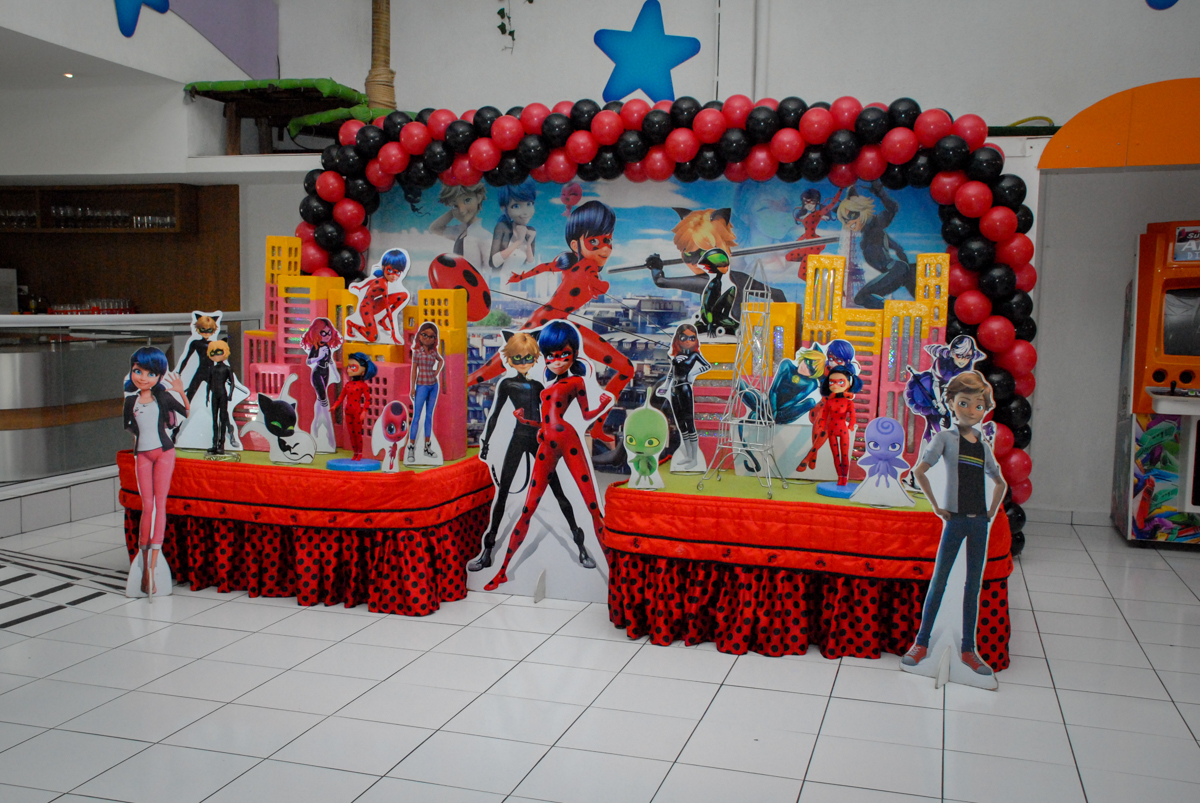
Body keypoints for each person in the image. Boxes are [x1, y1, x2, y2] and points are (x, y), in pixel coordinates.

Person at [470, 200, 631, 442]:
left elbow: (547, 266)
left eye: (607, 240)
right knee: (491, 368)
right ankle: (596, 426)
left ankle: (597, 426)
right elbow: (599, 285)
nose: (604, 249)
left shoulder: (569, 260)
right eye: (595, 242)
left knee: (492, 367)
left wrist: (522, 276)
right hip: (546, 325)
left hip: (560, 325)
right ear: (577, 244)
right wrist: (600, 284)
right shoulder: (587, 266)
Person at [485, 322, 611, 590]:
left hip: (569, 440)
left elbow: (586, 414)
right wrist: (524, 421)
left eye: (564, 354)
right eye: (552, 356)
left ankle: (613, 572)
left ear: (573, 354)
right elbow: (543, 424)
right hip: (547, 443)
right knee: (528, 507)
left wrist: (601, 404)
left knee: (592, 506)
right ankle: (503, 570)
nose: (557, 360)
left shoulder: (576, 381)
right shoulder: (544, 387)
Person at [903, 370, 1007, 677]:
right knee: (940, 581)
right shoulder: (945, 438)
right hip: (955, 520)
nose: (971, 411)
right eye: (964, 403)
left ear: (985, 408)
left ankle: (968, 649)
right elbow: (920, 471)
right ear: (951, 402)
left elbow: (998, 481)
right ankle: (921, 643)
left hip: (978, 523)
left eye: (978, 406)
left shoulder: (983, 445)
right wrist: (938, 505)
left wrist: (990, 511)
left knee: (972, 585)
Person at [471, 332, 587, 571]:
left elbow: (554, 412)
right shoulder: (507, 383)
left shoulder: (539, 386)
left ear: (535, 358)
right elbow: (494, 415)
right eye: (517, 357)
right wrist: (486, 443)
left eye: (528, 357)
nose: (523, 361)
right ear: (510, 358)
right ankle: (488, 550)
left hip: (539, 438)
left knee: (558, 491)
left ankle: (581, 546)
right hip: (518, 437)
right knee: (502, 494)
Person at [123, 347, 188, 596]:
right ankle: (143, 557)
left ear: (159, 376)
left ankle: (151, 567)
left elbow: (186, 412)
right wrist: (138, 439)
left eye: (150, 373)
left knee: (160, 504)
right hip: (142, 454)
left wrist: (180, 391)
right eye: (138, 371)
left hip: (164, 451)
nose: (142, 377)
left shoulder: (163, 398)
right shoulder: (131, 401)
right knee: (147, 506)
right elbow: (128, 425)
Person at [797, 365, 862, 485]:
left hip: (843, 430)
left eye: (840, 382)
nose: (835, 385)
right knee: (836, 456)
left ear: (849, 383)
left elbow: (852, 415)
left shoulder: (848, 402)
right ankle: (839, 477)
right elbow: (823, 415)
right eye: (832, 382)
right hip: (831, 430)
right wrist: (821, 424)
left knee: (845, 455)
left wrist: (852, 424)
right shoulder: (829, 401)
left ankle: (844, 477)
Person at [665, 323, 711, 471]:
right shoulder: (677, 355)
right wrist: (666, 386)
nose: (687, 341)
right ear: (678, 338)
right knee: (680, 424)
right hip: (674, 389)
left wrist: (692, 374)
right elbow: (672, 373)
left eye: (692, 338)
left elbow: (707, 366)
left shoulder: (694, 355)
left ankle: (694, 458)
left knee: (689, 422)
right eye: (684, 337)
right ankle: (689, 456)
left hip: (685, 388)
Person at [303, 318, 342, 452]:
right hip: (317, 373)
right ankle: (328, 436)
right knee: (324, 402)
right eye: (323, 333)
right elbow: (309, 361)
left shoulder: (327, 347)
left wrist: (336, 374)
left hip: (325, 373)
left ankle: (317, 431)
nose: (327, 336)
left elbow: (330, 361)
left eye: (329, 333)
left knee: (320, 404)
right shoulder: (316, 347)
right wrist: (319, 357)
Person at [431, 183, 489, 271]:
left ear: (479, 197)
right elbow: (435, 228)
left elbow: (489, 268)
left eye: (467, 200)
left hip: (473, 282)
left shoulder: (484, 236)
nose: (462, 210)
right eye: (455, 205)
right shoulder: (459, 231)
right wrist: (453, 212)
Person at [787, 187, 843, 279]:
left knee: (802, 274)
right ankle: (814, 263)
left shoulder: (818, 214)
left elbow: (832, 203)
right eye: (806, 202)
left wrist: (840, 189)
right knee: (789, 257)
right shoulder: (807, 215)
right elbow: (807, 232)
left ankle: (817, 278)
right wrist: (799, 240)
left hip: (813, 244)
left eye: (811, 202)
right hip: (808, 243)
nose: (809, 205)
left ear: (816, 202)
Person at [409, 322, 445, 460]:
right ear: (420, 335)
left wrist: (436, 371)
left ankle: (427, 447)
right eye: (425, 335)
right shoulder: (417, 353)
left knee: (429, 416)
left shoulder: (434, 352)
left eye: (431, 336)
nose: (428, 338)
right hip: (422, 385)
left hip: (433, 385)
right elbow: (414, 371)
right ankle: (411, 448)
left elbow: (441, 361)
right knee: (417, 416)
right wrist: (412, 387)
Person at [330, 352, 376, 460]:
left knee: (357, 433)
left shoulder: (363, 385)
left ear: (363, 371)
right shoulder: (347, 385)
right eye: (349, 366)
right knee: (351, 433)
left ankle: (360, 452)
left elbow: (368, 399)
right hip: (348, 411)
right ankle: (355, 452)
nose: (350, 369)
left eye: (353, 367)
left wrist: (364, 411)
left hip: (357, 411)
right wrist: (334, 406)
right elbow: (341, 397)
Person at [490, 179, 537, 272]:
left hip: (518, 282)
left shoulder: (530, 231)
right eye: (516, 206)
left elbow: (530, 265)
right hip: (500, 281)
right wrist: (518, 241)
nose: (525, 212)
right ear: (504, 209)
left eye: (529, 204)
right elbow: (493, 262)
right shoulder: (502, 227)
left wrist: (528, 243)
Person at [205, 340, 234, 455]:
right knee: (214, 419)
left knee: (222, 419)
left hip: (222, 394)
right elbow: (209, 383)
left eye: (219, 352)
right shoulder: (212, 369)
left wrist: (230, 395)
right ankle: (214, 444)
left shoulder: (227, 369)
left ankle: (221, 444)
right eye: (213, 353)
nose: (216, 355)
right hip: (214, 395)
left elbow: (232, 382)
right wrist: (207, 395)